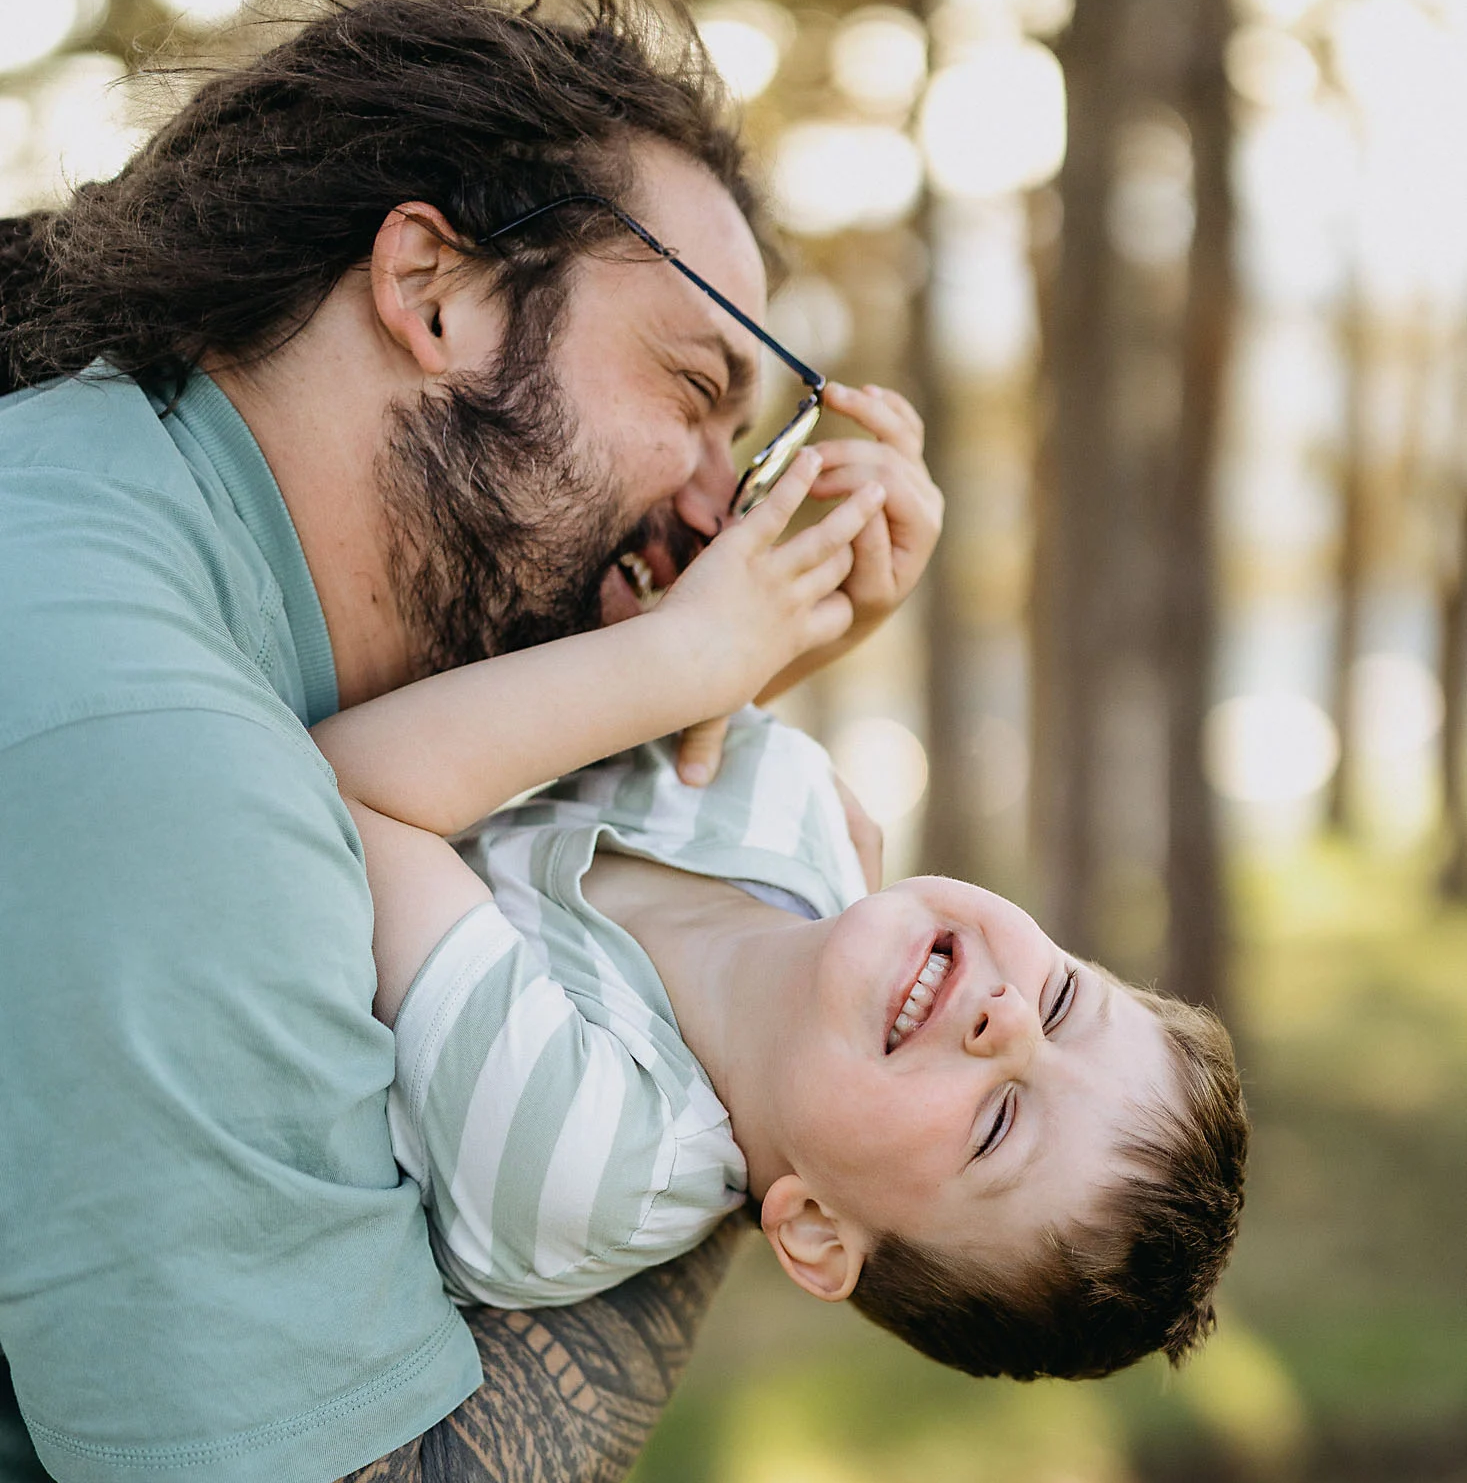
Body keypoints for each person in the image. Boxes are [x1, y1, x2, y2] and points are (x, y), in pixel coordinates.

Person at [0, 0, 942, 1483]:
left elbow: (484, 854)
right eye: (695, 390)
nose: (716, 517)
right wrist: (769, 1115)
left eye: (753, 457)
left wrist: (707, 702)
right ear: (429, 286)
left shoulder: (113, 511)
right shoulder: (159, 746)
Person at [312, 458, 1246, 1373]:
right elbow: (641, 706)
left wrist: (683, 663)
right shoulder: (801, 809)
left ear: (814, 1231)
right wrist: (817, 612)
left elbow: (331, 805)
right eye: (1059, 1002)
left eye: (998, 1124)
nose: (1004, 1021)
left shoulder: (590, 1155)